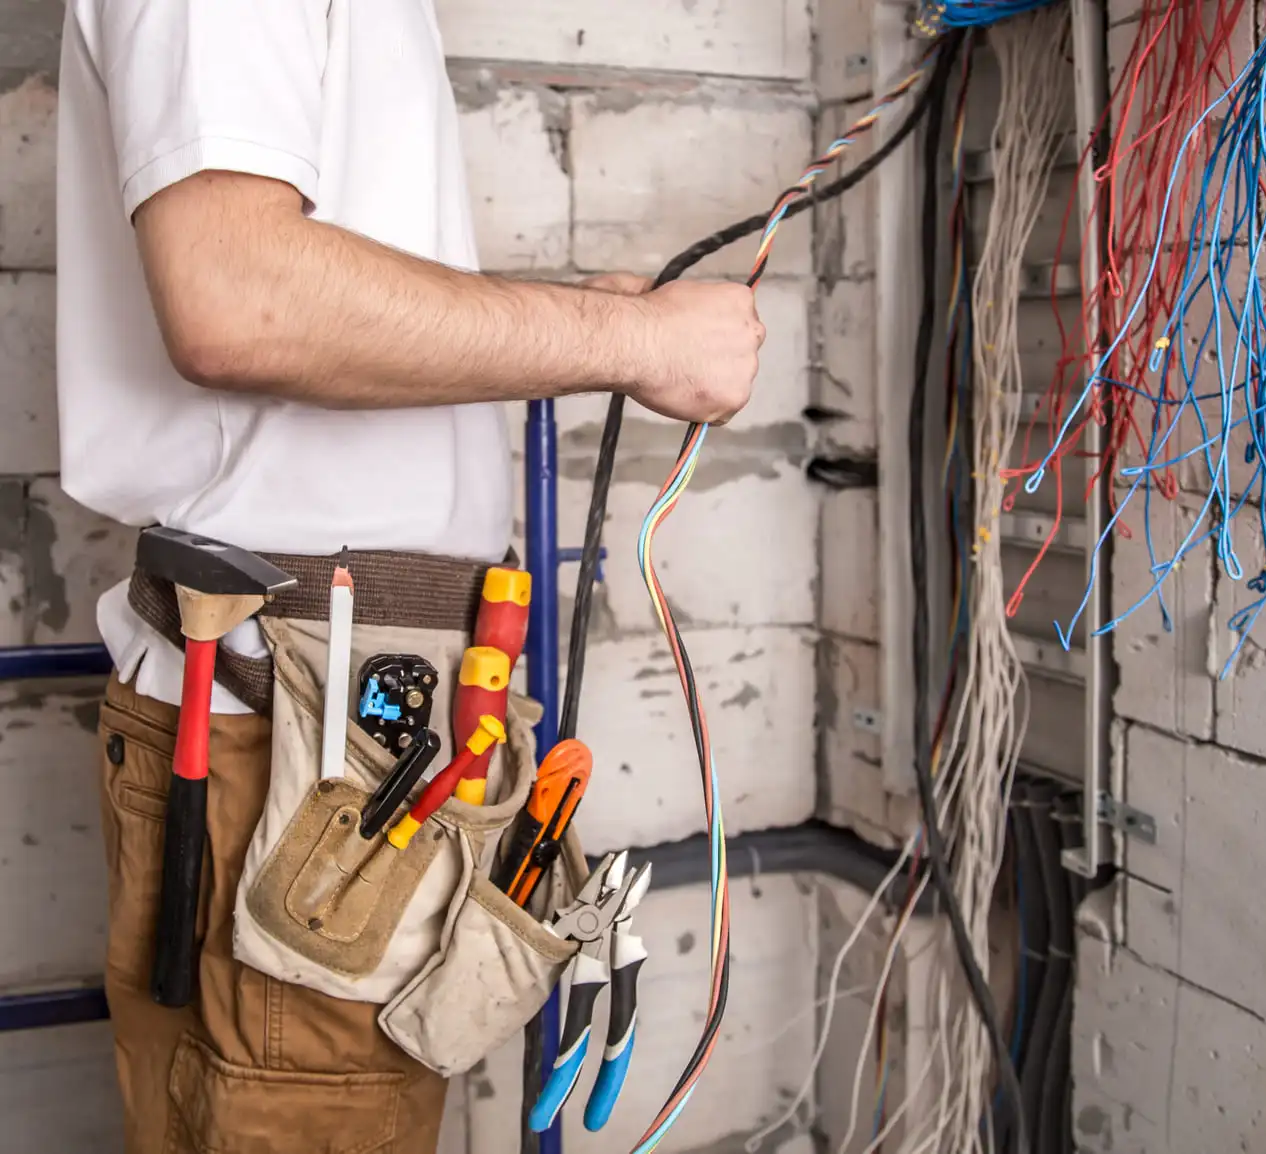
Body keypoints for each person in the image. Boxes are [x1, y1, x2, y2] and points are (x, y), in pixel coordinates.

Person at [55, 2, 765, 1152]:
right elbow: (240, 300)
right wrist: (629, 345)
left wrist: (590, 324)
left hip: (349, 720)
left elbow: (303, 289)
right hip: (289, 722)